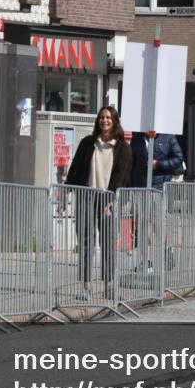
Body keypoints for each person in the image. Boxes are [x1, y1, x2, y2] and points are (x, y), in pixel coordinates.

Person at [65, 106, 133, 301]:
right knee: (86, 241)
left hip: (107, 199)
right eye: (102, 117)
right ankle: (86, 285)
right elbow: (75, 168)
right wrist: (66, 193)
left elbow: (122, 175)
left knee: (107, 242)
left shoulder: (122, 147)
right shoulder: (88, 143)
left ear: (114, 121)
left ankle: (109, 284)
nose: (104, 121)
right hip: (87, 195)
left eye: (108, 117)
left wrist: (113, 198)